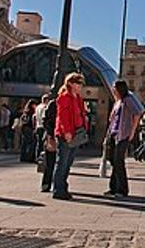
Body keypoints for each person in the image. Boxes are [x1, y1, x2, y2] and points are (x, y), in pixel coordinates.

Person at [52, 72, 88, 200]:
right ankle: (58, 189)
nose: (80, 86)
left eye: (81, 83)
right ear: (71, 84)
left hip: (77, 133)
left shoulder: (78, 98)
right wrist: (66, 132)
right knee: (62, 161)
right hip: (66, 134)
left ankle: (63, 187)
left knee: (68, 162)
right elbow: (63, 117)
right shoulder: (64, 97)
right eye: (78, 83)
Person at [105, 79, 143, 197]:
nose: (113, 90)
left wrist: (132, 131)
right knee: (113, 160)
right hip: (114, 133)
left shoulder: (128, 100)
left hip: (123, 134)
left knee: (118, 161)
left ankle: (122, 189)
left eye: (114, 88)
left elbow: (137, 113)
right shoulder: (118, 101)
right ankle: (113, 187)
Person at [39, 95, 58, 193]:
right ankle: (46, 184)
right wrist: (50, 136)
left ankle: (56, 185)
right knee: (50, 162)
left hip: (60, 137)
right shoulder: (54, 104)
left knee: (58, 163)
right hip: (51, 136)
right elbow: (47, 121)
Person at [34, 94, 50, 159]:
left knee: (39, 143)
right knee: (44, 143)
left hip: (38, 125)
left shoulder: (38, 107)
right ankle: (42, 157)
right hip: (43, 126)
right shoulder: (45, 107)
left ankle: (37, 156)